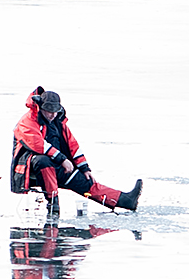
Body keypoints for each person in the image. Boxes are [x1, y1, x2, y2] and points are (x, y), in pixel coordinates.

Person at [11, 87, 142, 217]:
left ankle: (126, 200)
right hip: (32, 169)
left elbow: (73, 145)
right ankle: (53, 203)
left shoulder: (58, 123)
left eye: (55, 111)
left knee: (87, 183)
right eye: (49, 111)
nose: (52, 114)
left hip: (59, 166)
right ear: (40, 107)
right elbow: (38, 145)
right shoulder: (27, 122)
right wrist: (63, 160)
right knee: (42, 160)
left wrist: (84, 168)